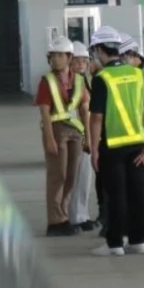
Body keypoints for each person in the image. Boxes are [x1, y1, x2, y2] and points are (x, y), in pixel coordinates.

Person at [86, 26, 144, 256]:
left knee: (115, 195)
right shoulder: (138, 75)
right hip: (138, 143)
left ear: (99, 49)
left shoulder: (102, 79)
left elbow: (96, 117)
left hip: (113, 145)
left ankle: (115, 244)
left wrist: (94, 148)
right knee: (137, 193)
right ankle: (138, 241)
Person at [35, 38, 84, 237]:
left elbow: (84, 108)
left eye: (59, 55)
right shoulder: (47, 81)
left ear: (69, 57)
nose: (55, 59)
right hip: (56, 131)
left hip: (76, 132)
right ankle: (55, 221)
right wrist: (49, 138)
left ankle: (64, 215)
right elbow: (44, 112)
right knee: (58, 175)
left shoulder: (78, 80)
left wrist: (88, 137)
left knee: (71, 175)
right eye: (53, 56)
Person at [66, 42, 98, 233]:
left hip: (86, 135)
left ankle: (82, 214)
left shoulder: (83, 81)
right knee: (74, 176)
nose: (81, 65)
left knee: (85, 177)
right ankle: (74, 216)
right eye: (77, 61)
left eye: (84, 61)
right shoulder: (67, 83)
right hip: (74, 135)